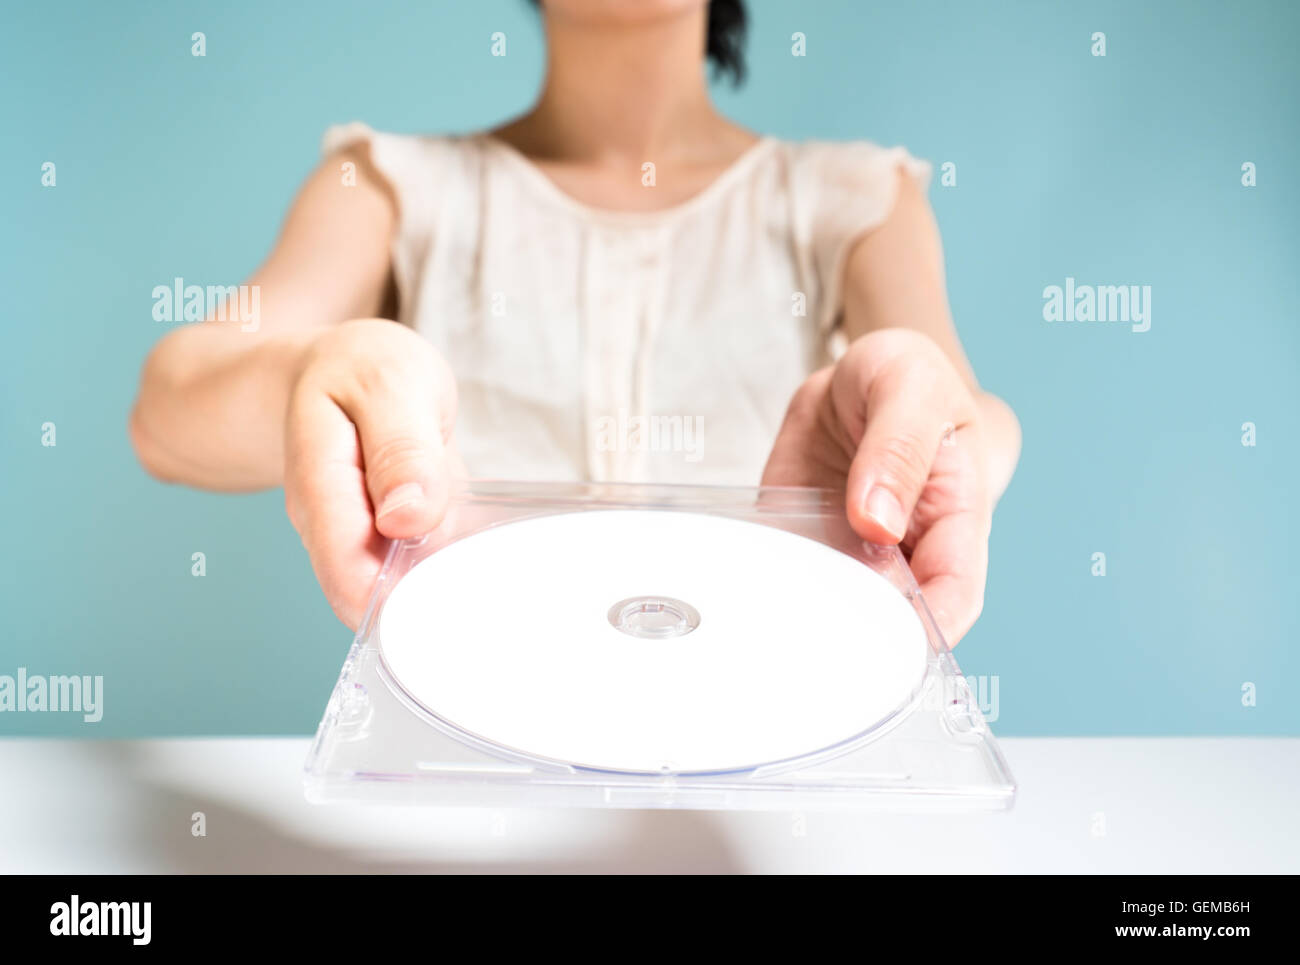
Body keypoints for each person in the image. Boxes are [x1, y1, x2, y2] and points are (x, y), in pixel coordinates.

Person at [129, 0, 1020, 641]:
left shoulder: (856, 198)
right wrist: (312, 376)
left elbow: (972, 418)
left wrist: (932, 434)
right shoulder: (386, 184)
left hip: (770, 785)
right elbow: (167, 410)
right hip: (469, 788)